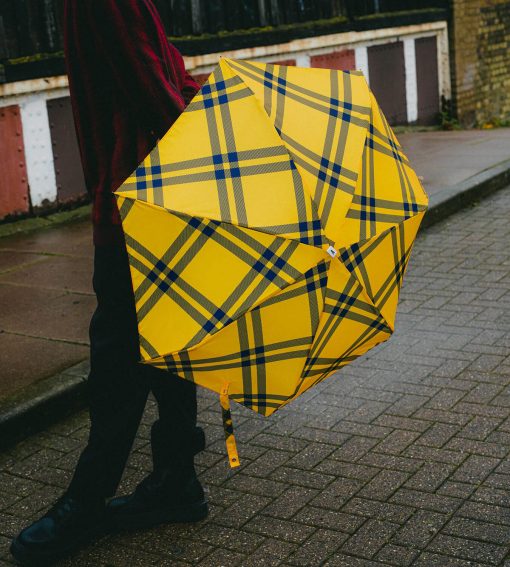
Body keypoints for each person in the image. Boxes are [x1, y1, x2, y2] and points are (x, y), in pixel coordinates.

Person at [10, 1, 206, 565]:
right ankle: (175, 481)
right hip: (143, 197)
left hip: (141, 201)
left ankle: (90, 501)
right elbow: (159, 83)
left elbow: (159, 82)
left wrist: (205, 120)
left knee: (121, 360)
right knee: (163, 345)